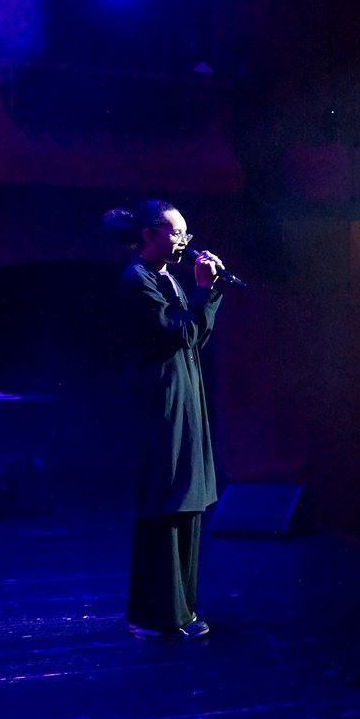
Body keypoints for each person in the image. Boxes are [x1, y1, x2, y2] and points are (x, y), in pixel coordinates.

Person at [104, 200, 228, 640]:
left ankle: (181, 611)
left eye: (186, 236)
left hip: (182, 394)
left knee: (185, 501)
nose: (184, 243)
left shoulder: (163, 277)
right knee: (164, 503)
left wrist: (205, 294)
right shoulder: (136, 280)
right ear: (151, 233)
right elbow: (178, 332)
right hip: (160, 403)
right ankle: (156, 616)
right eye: (177, 234)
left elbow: (195, 333)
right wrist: (202, 292)